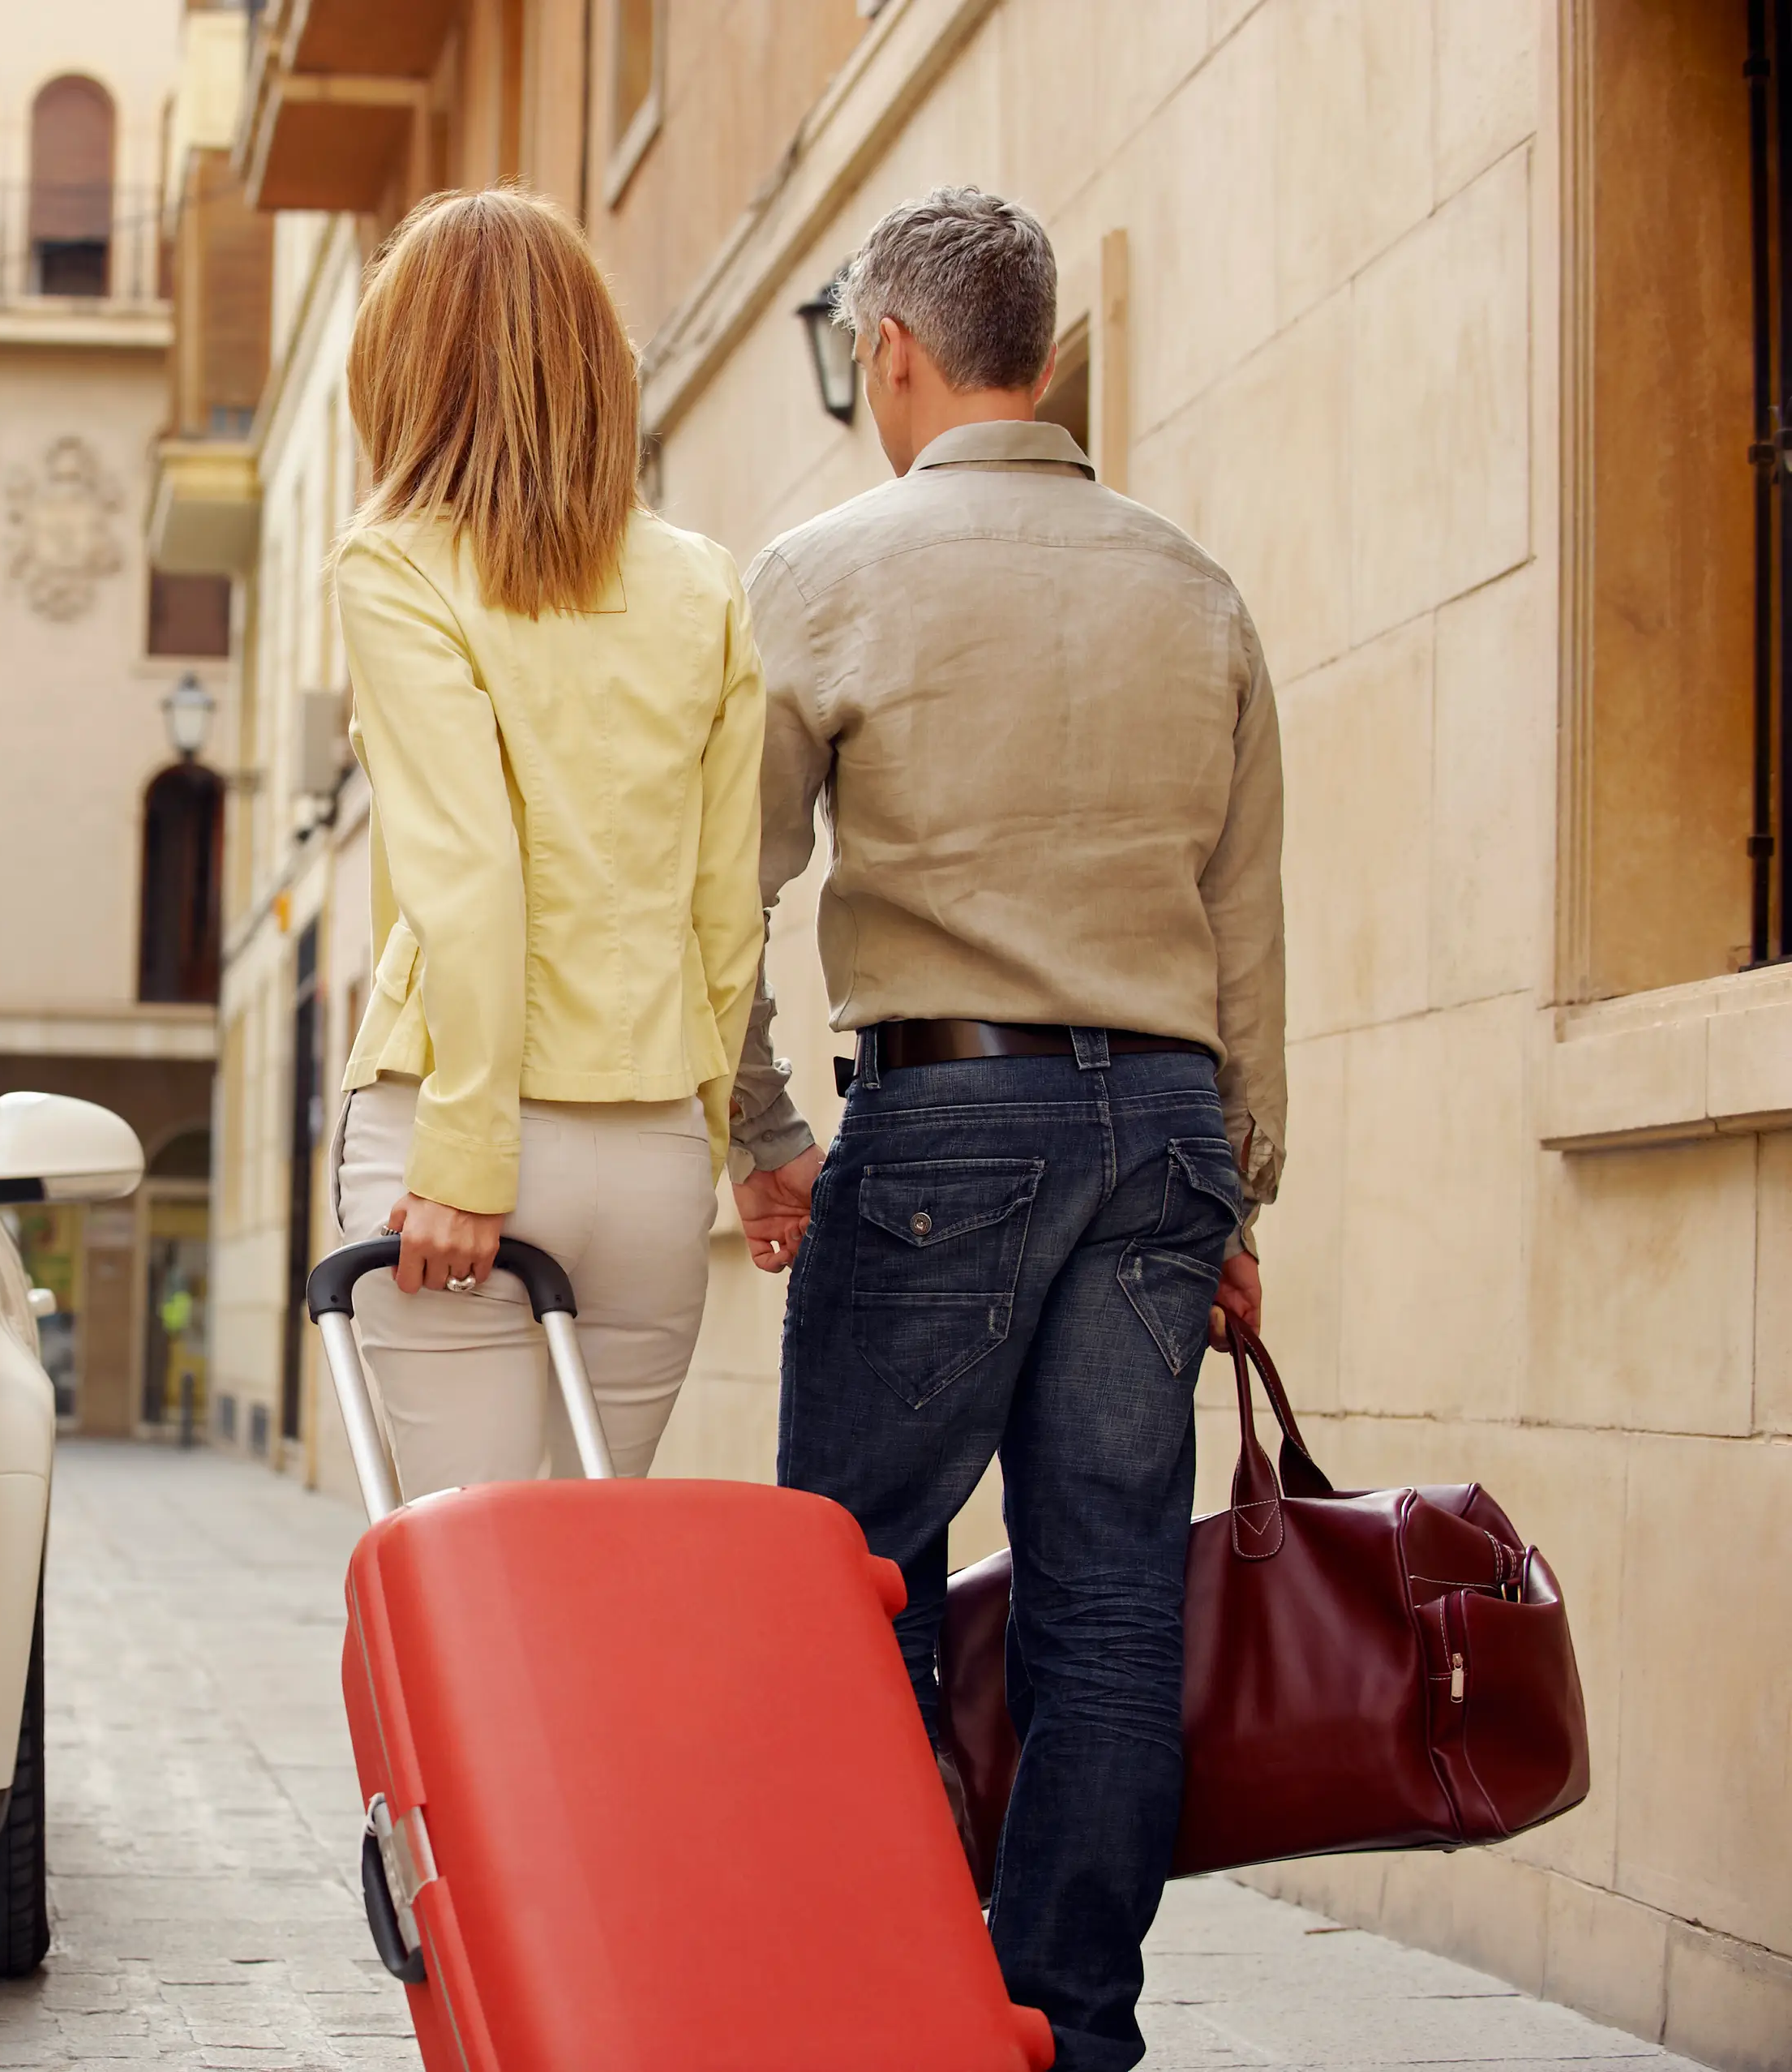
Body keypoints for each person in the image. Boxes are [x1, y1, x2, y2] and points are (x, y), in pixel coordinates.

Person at [726, 187, 1284, 2072]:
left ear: (891, 350)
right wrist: (1243, 1189)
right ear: (1037, 352)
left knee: (852, 1578)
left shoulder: (823, 570)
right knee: (1112, 1601)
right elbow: (1245, 911)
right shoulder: (1192, 583)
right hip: (1163, 1137)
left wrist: (757, 1124)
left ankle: (894, 2001)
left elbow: (729, 885)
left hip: (950, 1118)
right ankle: (1069, 2027)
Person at [329, 187, 767, 1500]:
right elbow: (724, 913)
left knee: (475, 1601)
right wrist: (698, 1130)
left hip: (464, 1136)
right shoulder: (702, 581)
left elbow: (470, 882)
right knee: (586, 1594)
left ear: (404, 370)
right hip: (650, 1155)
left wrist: (467, 1157)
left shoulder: (398, 567)